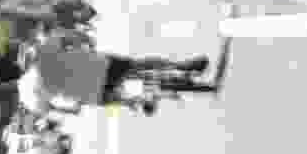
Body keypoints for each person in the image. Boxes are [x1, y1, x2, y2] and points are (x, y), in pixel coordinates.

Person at [25, 33, 213, 113]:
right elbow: (70, 37)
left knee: (116, 100)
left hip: (95, 94)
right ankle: (182, 66)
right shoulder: (44, 51)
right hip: (101, 67)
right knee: (141, 65)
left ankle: (137, 102)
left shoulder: (35, 88)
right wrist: (86, 42)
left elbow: (56, 107)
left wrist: (71, 106)